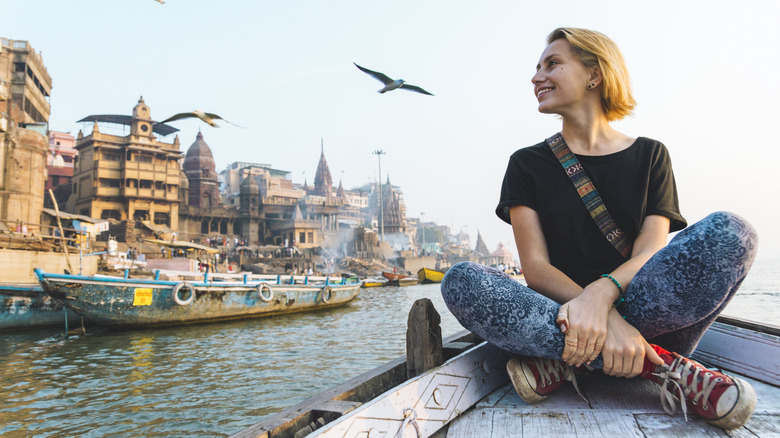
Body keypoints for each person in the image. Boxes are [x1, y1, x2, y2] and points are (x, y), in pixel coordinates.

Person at [441, 27, 757, 431]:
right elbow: (536, 269)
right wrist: (603, 321)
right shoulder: (526, 164)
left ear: (595, 73)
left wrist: (602, 298)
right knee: (462, 280)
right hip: (559, 315)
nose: (536, 77)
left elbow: (648, 253)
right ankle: (659, 365)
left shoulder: (651, 155)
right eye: (536, 68)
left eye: (552, 64)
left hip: (639, 306)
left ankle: (572, 364)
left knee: (734, 233)